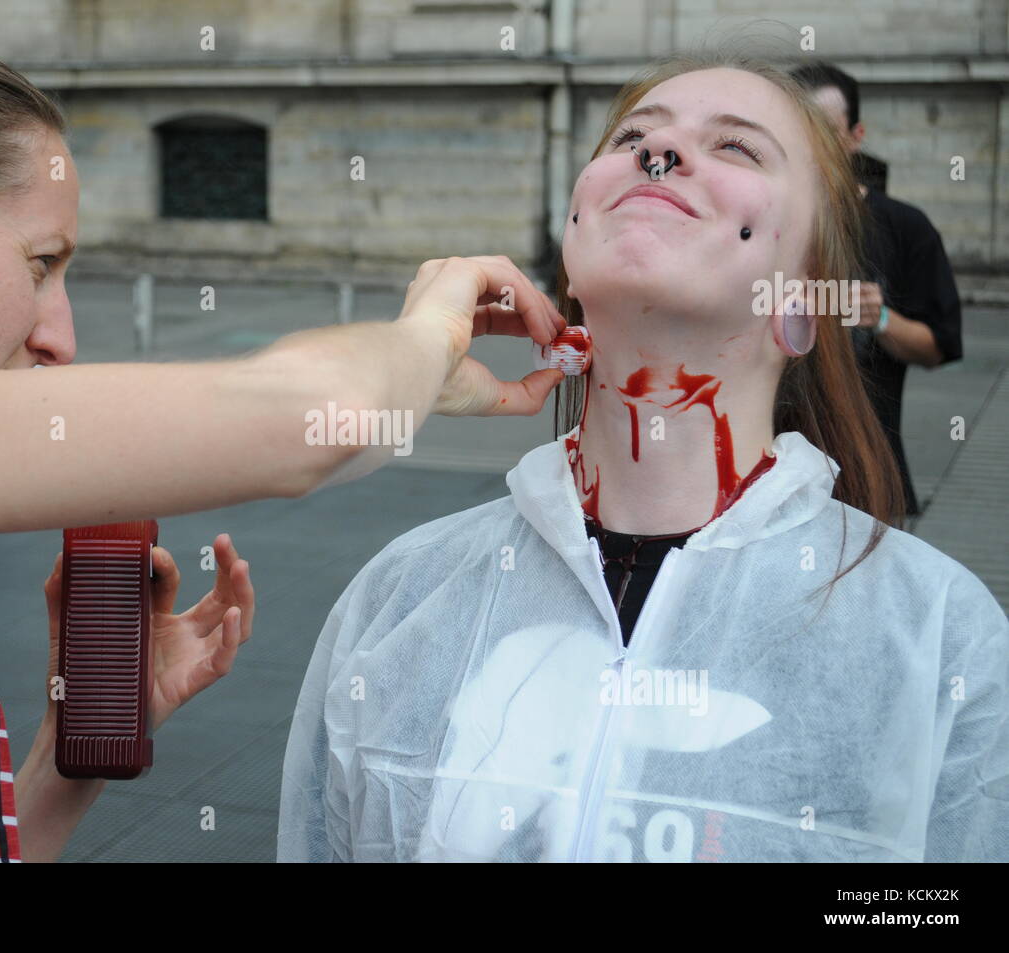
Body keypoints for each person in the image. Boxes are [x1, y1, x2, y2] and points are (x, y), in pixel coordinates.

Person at [0, 21, 566, 863]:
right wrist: (432, 330)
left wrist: (72, 748)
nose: (61, 336)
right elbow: (309, 420)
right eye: (41, 263)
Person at [278, 50, 1009, 863]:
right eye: (631, 137)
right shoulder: (399, 595)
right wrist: (399, 363)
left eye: (737, 147)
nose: (657, 155)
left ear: (800, 304)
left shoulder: (938, 640)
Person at [791, 61, 963, 519]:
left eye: (825, 131)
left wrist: (881, 318)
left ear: (856, 135)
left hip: (869, 480)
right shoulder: (752, 221)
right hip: (764, 481)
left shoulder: (905, 227)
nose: (812, 146)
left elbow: (937, 346)